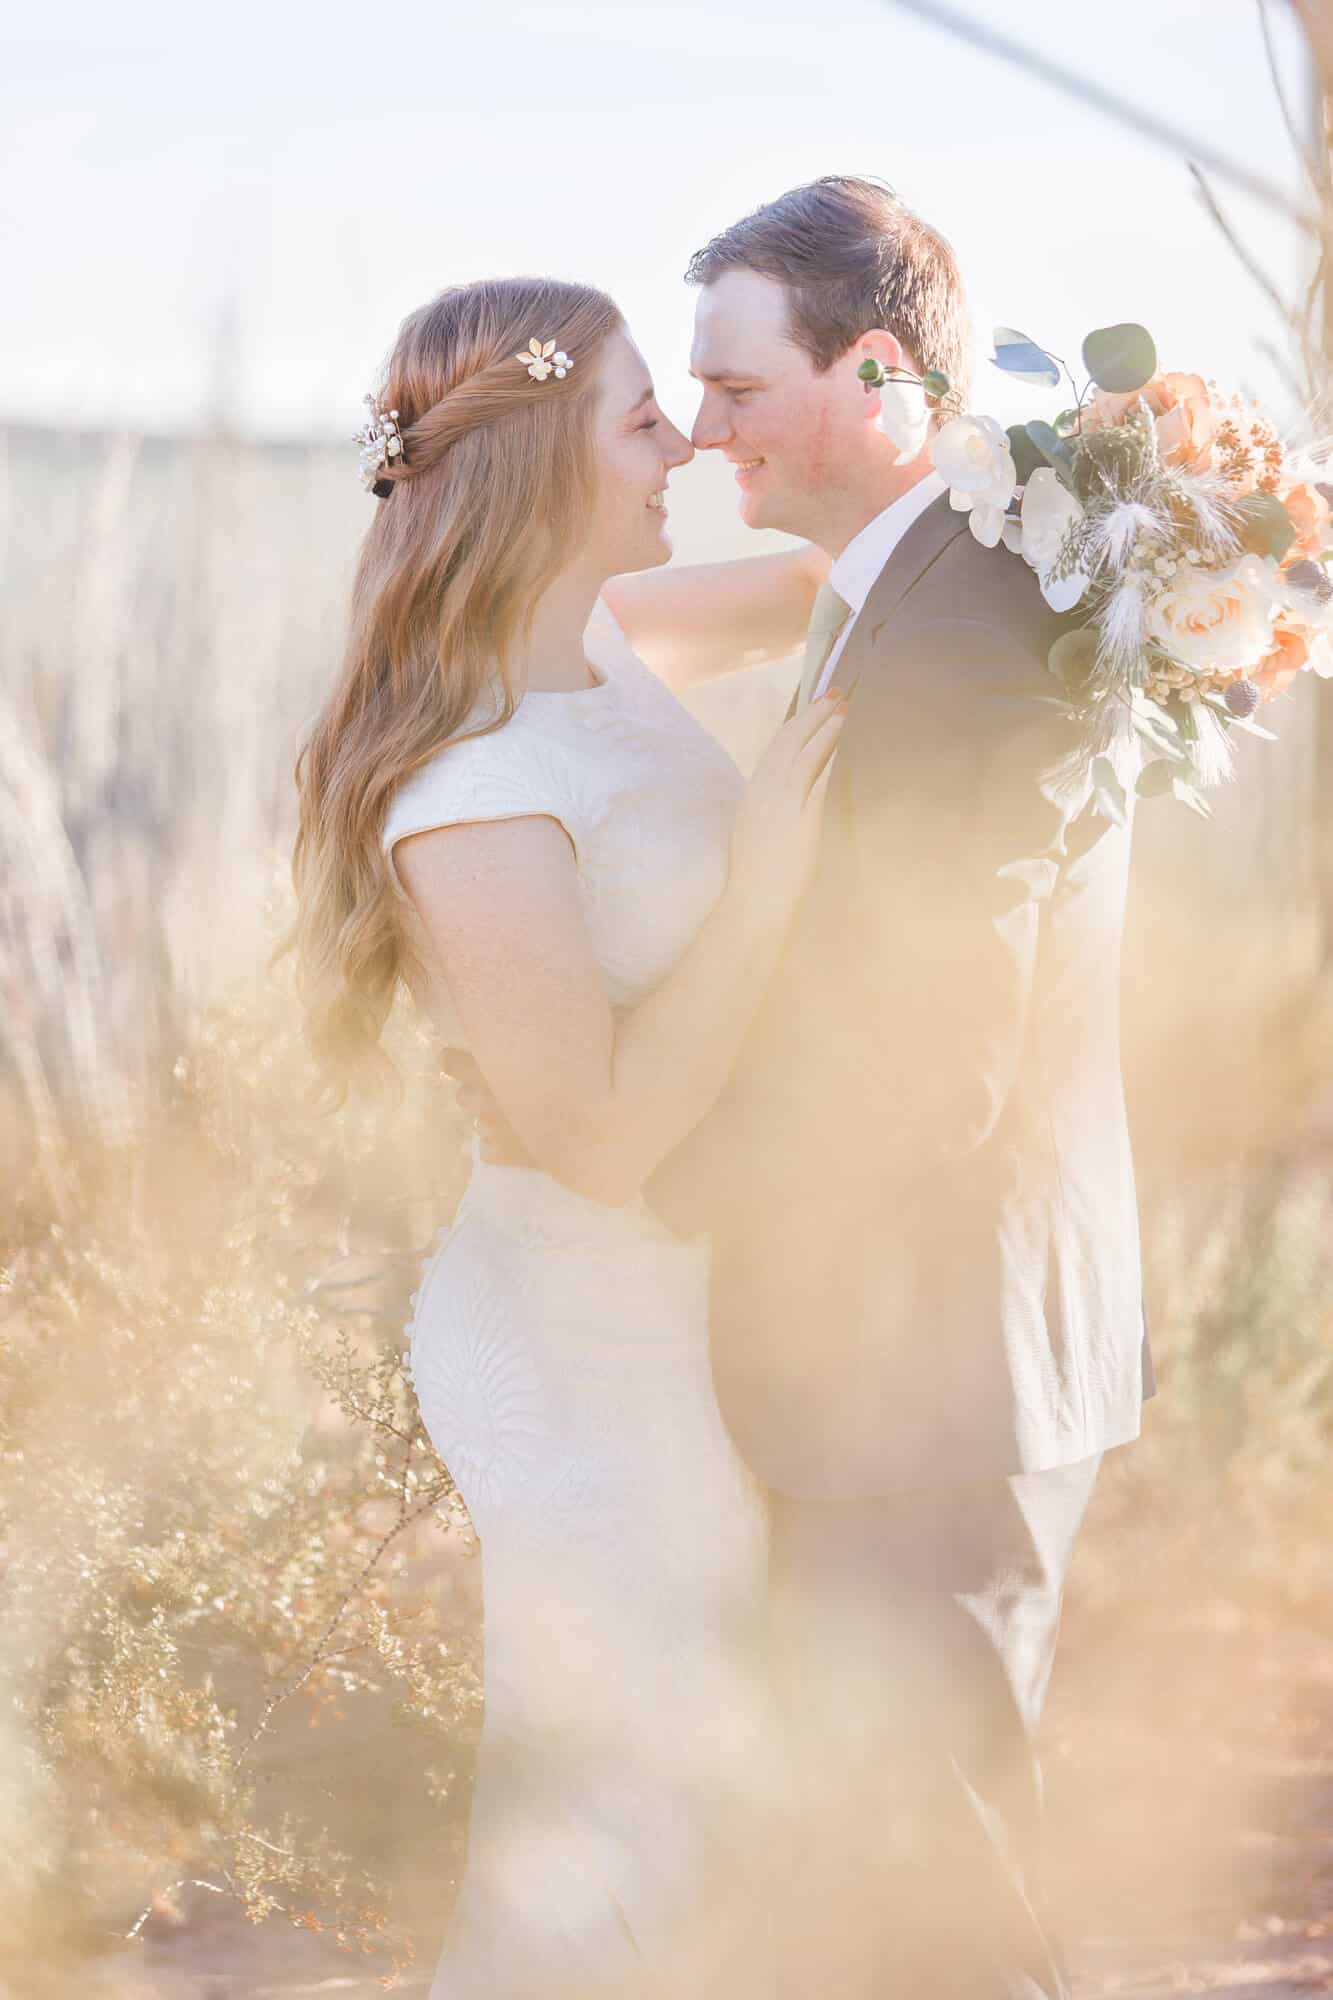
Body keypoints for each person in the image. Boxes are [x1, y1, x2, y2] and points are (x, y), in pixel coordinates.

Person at [461, 177, 1157, 1998]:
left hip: (917, 1358)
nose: (701, 431)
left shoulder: (958, 624)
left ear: (873, 373)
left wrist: (640, 1149)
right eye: (676, 397)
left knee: (937, 1889)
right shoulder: (913, 578)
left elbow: (934, 1060)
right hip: (895, 1355)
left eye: (735, 391)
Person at [288, 273, 845, 1999]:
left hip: (670, 1308)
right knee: (616, 1815)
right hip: (577, 1333)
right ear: (537, 470)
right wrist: (764, 883)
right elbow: (594, 1135)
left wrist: (1119, 484)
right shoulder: (469, 785)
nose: (681, 437)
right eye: (637, 416)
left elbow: (862, 577)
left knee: (694, 1786)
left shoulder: (602, 640)